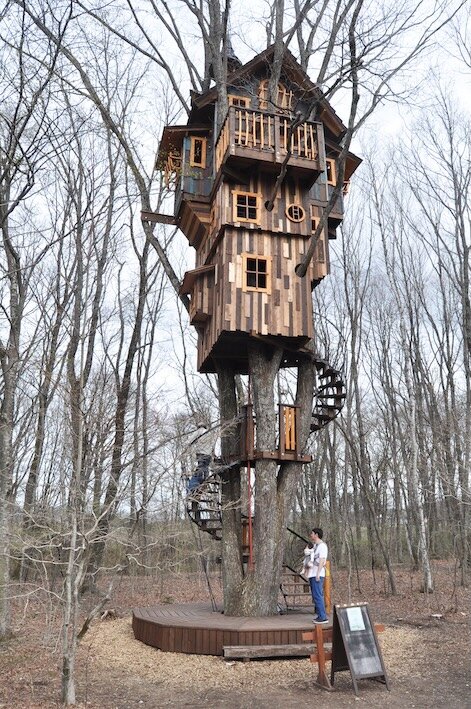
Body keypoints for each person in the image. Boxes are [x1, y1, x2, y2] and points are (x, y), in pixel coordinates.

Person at [306, 527, 328, 624]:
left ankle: (323, 617)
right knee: (315, 595)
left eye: (312, 533)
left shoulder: (322, 546)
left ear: (316, 535)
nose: (311, 535)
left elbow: (322, 560)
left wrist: (318, 574)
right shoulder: (315, 546)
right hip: (312, 573)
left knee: (318, 595)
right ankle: (319, 615)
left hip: (317, 574)